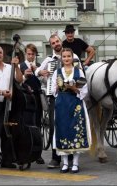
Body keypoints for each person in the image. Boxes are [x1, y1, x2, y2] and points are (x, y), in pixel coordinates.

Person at [51, 48, 90, 173]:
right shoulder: (57, 72)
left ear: (72, 58)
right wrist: (57, 87)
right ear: (61, 58)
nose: (66, 58)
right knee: (62, 130)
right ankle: (65, 162)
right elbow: (53, 91)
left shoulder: (79, 72)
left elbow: (85, 90)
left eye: (69, 56)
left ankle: (76, 162)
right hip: (62, 104)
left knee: (76, 130)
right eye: (64, 56)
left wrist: (74, 88)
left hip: (75, 104)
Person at [34, 34, 65, 169]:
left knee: (68, 125)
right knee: (53, 126)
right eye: (53, 43)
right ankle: (55, 158)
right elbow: (36, 72)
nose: (56, 44)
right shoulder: (49, 60)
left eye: (57, 41)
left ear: (61, 41)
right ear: (51, 45)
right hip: (54, 97)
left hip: (69, 96)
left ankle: (69, 157)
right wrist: (41, 73)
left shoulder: (72, 56)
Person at [19, 43, 44, 164]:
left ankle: (37, 154)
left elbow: (43, 82)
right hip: (26, 100)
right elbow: (17, 83)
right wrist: (24, 76)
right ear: (25, 54)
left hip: (37, 99)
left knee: (37, 125)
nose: (30, 56)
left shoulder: (38, 66)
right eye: (29, 54)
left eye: (33, 54)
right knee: (27, 125)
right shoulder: (21, 66)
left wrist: (40, 74)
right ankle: (26, 151)